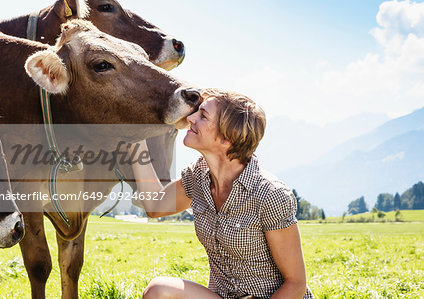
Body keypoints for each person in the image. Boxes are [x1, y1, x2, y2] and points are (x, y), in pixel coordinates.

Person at [127, 88, 314, 299]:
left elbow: (296, 284)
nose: (190, 118)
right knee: (158, 291)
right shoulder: (198, 177)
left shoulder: (270, 194)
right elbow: (155, 206)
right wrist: (135, 140)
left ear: (227, 138)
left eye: (203, 115)